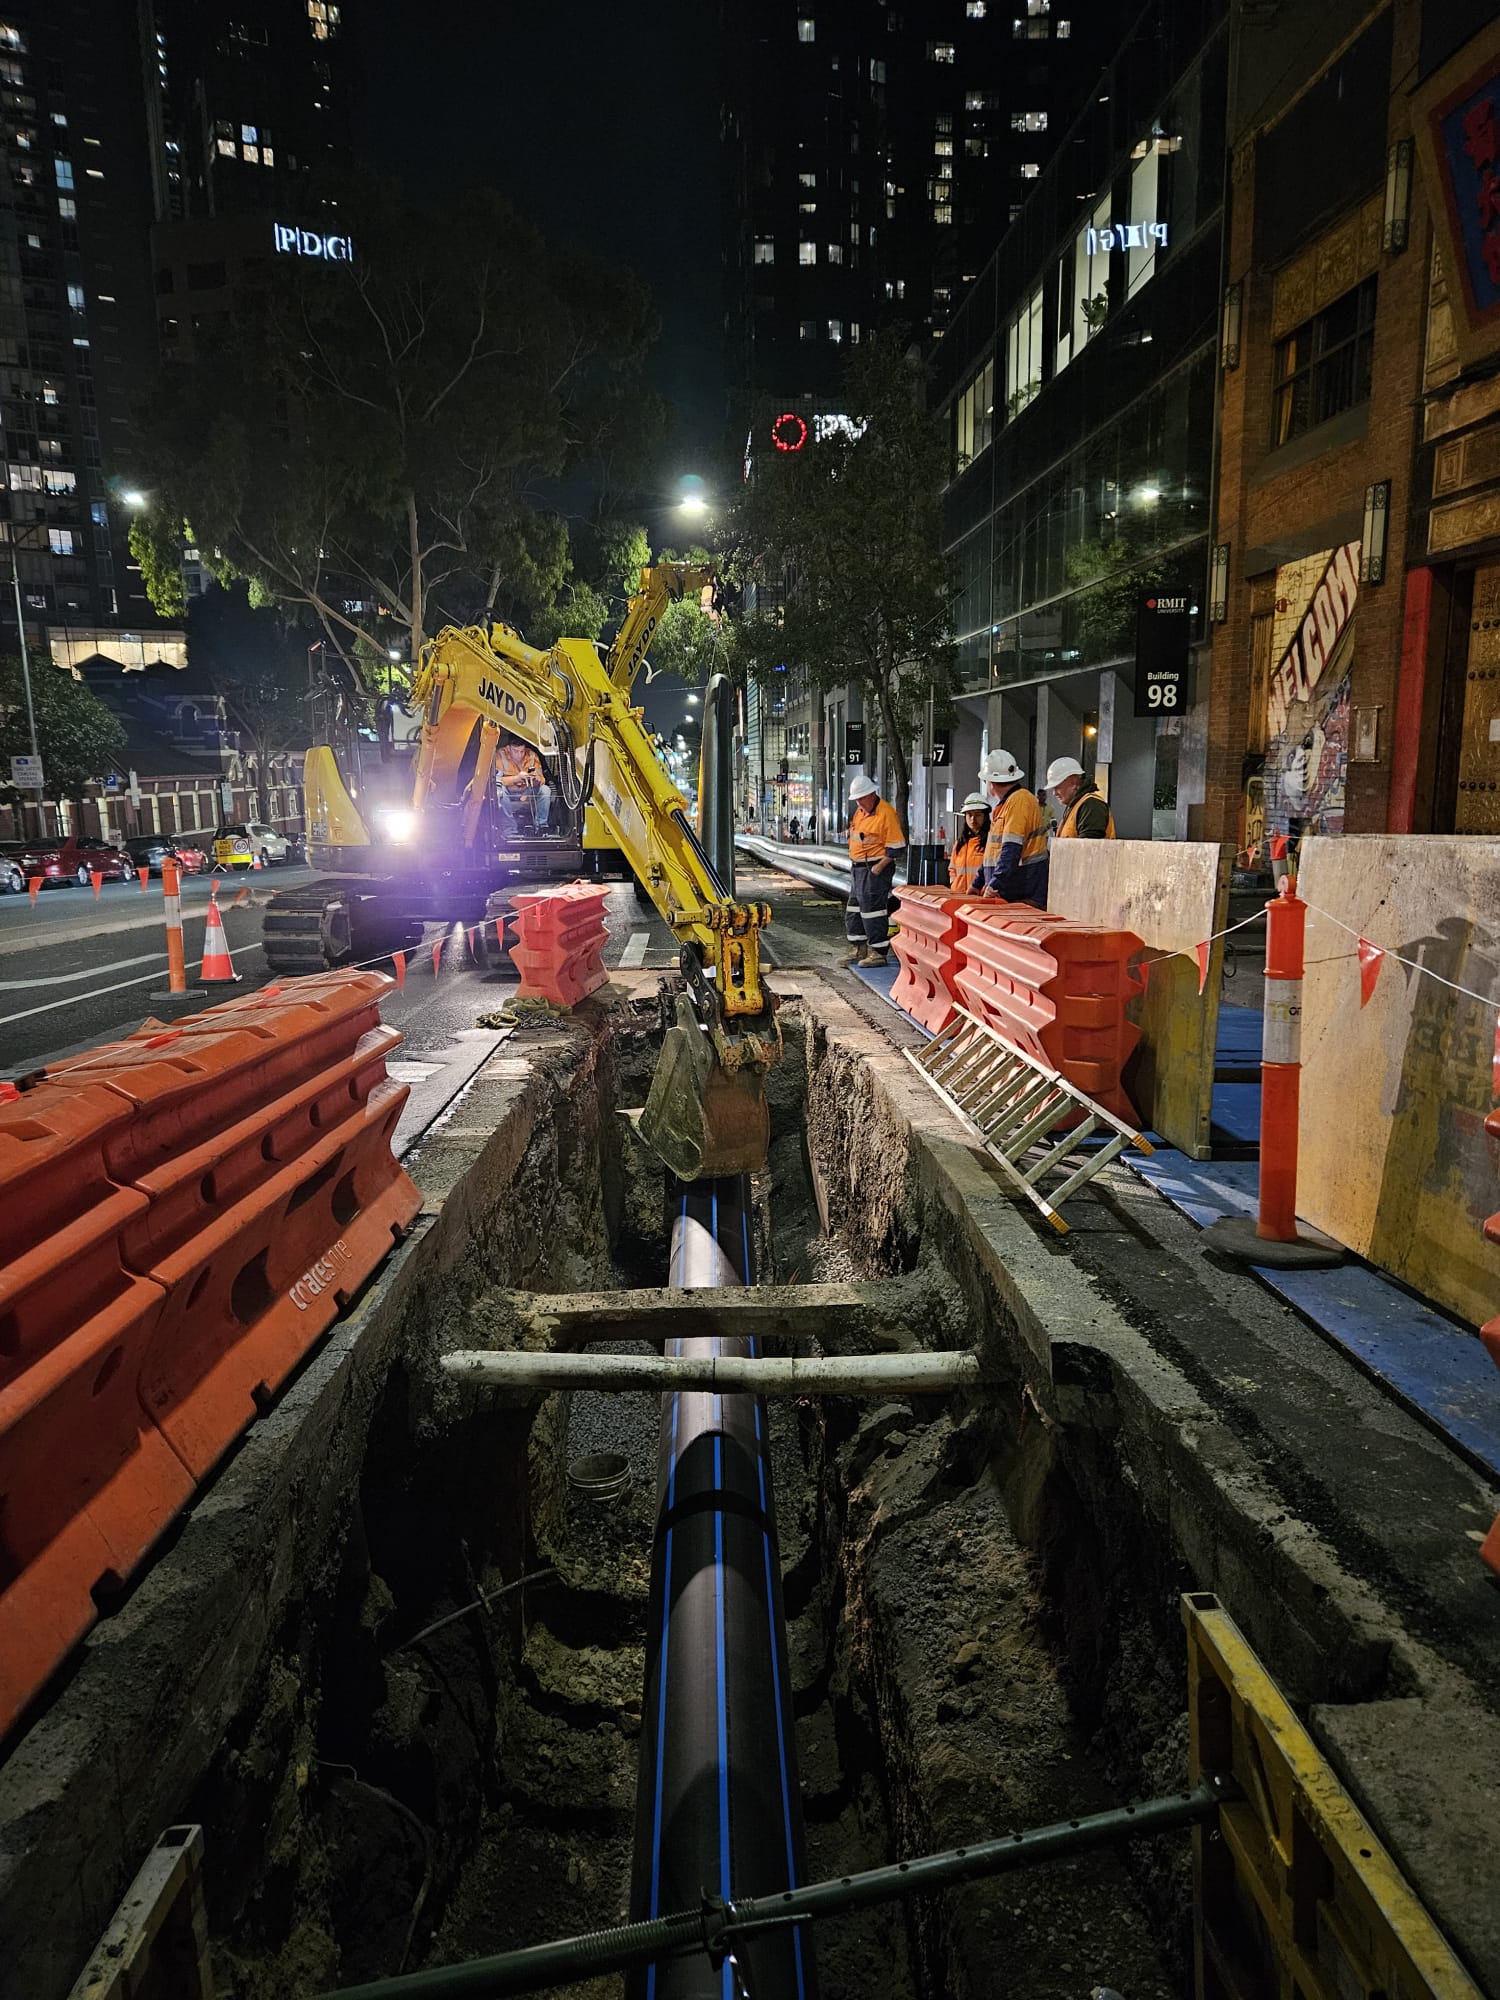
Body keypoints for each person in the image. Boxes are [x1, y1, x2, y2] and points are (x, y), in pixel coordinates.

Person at [843, 773, 904, 967]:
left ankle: (878, 952)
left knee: (873, 911)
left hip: (874, 869)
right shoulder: (861, 812)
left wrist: (879, 867)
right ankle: (858, 948)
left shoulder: (886, 813)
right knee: (854, 909)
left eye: (861, 798)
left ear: (871, 794)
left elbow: (897, 845)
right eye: (857, 799)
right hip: (858, 869)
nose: (859, 803)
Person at [978, 748, 1048, 906]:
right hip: (1016, 890)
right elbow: (993, 853)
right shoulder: (1008, 804)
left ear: (991, 782)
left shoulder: (1018, 801)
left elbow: (1011, 849)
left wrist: (995, 883)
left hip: (1022, 891)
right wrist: (978, 882)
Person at [1044, 757, 1116, 840]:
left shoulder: (1091, 806)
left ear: (1073, 782)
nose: (1054, 793)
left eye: (1057, 787)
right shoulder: (1076, 806)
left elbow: (1089, 849)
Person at [496, 734, 553, 833]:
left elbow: (542, 779)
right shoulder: (500, 756)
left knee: (545, 790)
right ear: (508, 748)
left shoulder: (532, 756)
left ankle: (541, 826)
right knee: (499, 792)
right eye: (516, 751)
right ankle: (510, 829)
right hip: (508, 791)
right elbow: (496, 780)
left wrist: (536, 781)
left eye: (522, 751)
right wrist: (517, 778)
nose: (519, 755)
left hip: (528, 790)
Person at [948, 792, 990, 896]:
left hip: (980, 897)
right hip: (958, 896)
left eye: (978, 815)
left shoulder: (990, 842)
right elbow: (952, 869)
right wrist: (954, 883)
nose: (973, 819)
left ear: (985, 817)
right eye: (969, 815)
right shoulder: (960, 843)